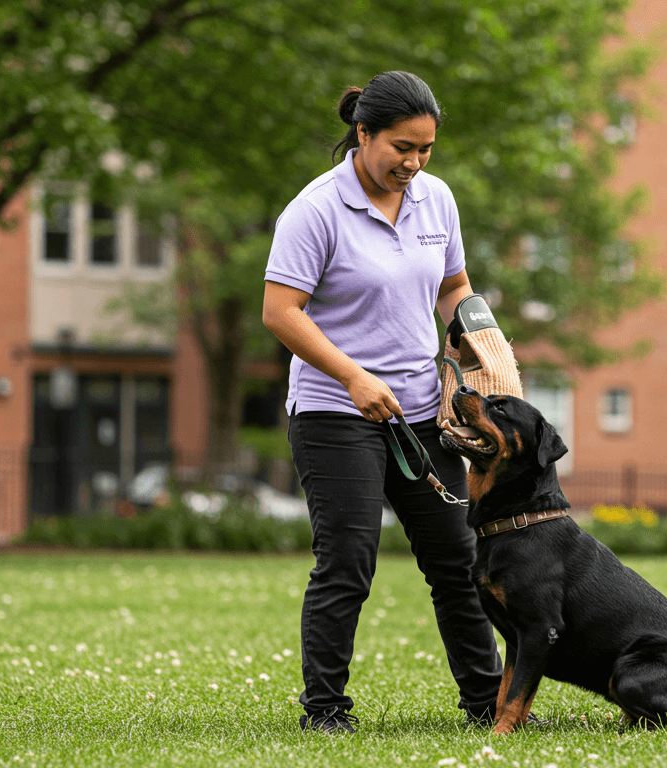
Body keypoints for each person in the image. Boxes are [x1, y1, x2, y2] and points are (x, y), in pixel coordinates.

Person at [262, 71, 504, 735]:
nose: (414, 163)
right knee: (348, 560)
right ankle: (326, 711)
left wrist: (478, 341)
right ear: (362, 134)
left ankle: (489, 706)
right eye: (402, 147)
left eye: (426, 149)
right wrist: (352, 377)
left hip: (423, 410)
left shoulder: (435, 200)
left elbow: (454, 287)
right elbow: (281, 312)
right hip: (335, 414)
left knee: (458, 560)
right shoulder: (314, 210)